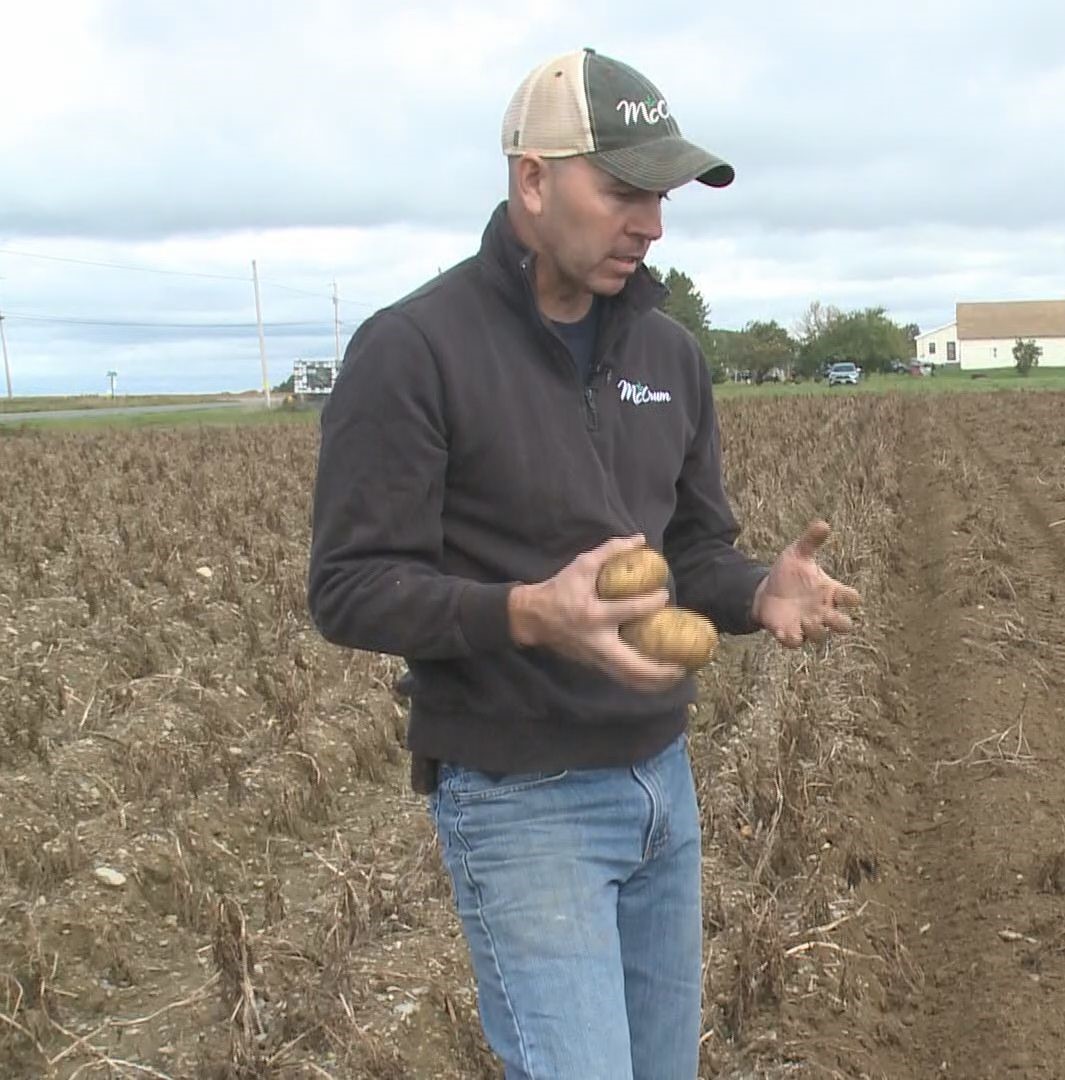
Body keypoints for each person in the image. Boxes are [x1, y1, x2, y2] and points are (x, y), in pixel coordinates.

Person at [306, 47, 860, 1080]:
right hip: (523, 805)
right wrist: (528, 614)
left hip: (661, 784)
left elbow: (688, 553)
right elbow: (346, 586)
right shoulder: (415, 350)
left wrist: (754, 590)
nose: (651, 223)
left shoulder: (670, 356)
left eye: (661, 196)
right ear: (532, 179)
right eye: (623, 190)